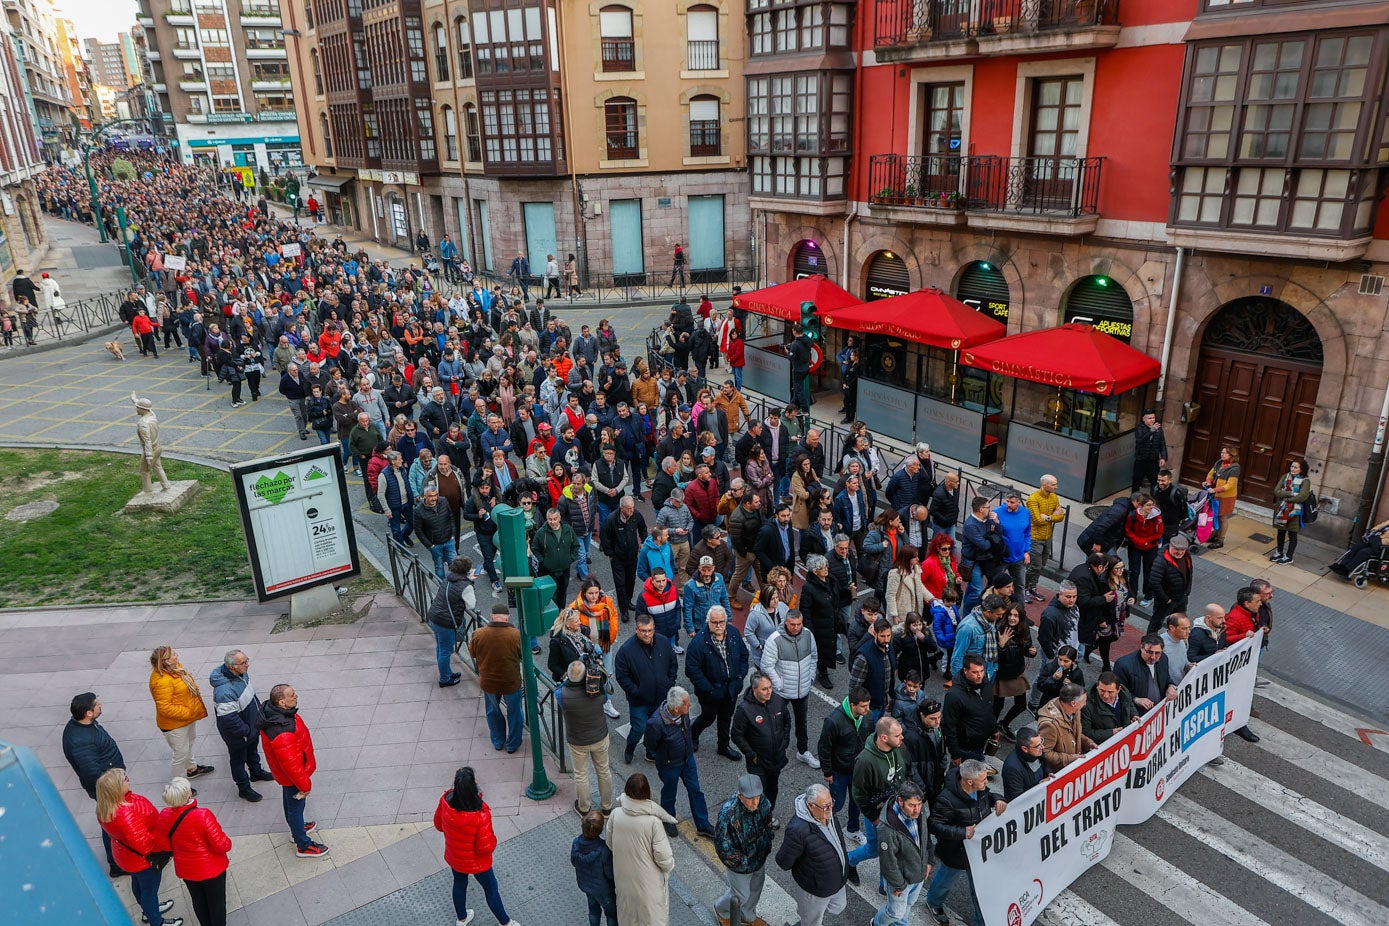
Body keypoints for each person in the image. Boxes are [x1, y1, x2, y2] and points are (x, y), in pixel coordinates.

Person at [95, 769, 184, 926]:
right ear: (115, 789)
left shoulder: (106, 807)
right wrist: (165, 841)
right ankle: (156, 921)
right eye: (125, 779)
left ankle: (148, 911)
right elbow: (144, 844)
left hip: (127, 857)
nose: (128, 780)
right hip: (143, 860)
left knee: (138, 885)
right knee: (149, 891)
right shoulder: (126, 814)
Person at [434, 767, 521, 926]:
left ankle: (461, 918)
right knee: (491, 889)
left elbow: (438, 825)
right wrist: (493, 840)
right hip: (478, 862)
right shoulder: (481, 814)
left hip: (456, 856)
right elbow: (484, 848)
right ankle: (506, 922)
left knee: (459, 883)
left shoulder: (445, 802)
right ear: (474, 785)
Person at [925, 759, 1006, 926]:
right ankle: (934, 902)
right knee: (946, 881)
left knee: (980, 889)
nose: (986, 782)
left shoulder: (978, 788)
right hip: (956, 851)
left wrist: (997, 798)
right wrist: (962, 832)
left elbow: (988, 796)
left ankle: (981, 921)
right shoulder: (946, 799)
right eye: (983, 779)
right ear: (970, 782)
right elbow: (934, 825)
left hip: (978, 848)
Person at [259, 684, 329, 858]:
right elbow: (291, 765)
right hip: (294, 778)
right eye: (292, 695)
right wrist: (305, 785)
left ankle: (296, 828)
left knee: (291, 804)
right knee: (296, 808)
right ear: (282, 702)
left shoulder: (277, 715)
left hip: (288, 777)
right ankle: (302, 844)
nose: (296, 696)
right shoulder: (283, 731)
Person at [62, 692, 127, 876]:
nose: (100, 706)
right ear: (88, 713)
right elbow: (92, 773)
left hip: (113, 780)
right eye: (97, 705)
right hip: (108, 788)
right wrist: (115, 787)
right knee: (112, 824)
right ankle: (116, 865)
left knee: (113, 821)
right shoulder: (80, 741)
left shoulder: (84, 725)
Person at [844, 715, 912, 883]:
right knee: (875, 849)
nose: (902, 738)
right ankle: (848, 860)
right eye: (897, 735)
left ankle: (885, 884)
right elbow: (859, 796)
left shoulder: (900, 748)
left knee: (892, 849)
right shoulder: (865, 761)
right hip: (878, 815)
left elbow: (909, 772)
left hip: (899, 810)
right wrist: (875, 820)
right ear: (884, 737)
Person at [159, 777, 232, 926]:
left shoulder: (164, 815)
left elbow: (165, 845)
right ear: (187, 795)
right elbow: (221, 844)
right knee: (216, 903)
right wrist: (227, 842)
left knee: (198, 900)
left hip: (187, 869)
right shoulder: (202, 815)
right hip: (211, 869)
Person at [645, 685, 715, 837]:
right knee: (670, 794)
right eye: (687, 704)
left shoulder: (683, 713)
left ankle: (703, 824)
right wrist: (664, 758)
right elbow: (650, 745)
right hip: (670, 765)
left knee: (696, 791)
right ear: (676, 708)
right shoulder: (656, 723)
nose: (690, 706)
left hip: (687, 759)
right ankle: (668, 820)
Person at [775, 783, 850, 926]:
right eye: (825, 806)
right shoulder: (797, 830)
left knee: (838, 907)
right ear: (810, 806)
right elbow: (783, 861)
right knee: (812, 921)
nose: (830, 809)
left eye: (831, 803)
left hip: (836, 880)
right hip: (815, 888)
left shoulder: (826, 812)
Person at [608, 774, 677, 926]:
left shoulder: (615, 814)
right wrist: (668, 868)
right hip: (648, 886)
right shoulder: (654, 822)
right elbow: (664, 859)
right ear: (647, 792)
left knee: (628, 918)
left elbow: (610, 843)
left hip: (624, 880)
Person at [209, 650, 276, 802]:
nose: (248, 664)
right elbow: (229, 719)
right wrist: (247, 732)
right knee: (238, 760)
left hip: (251, 726)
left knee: (252, 751)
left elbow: (251, 696)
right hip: (239, 734)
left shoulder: (241, 674)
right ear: (232, 667)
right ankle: (244, 788)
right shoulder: (224, 691)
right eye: (244, 662)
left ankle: (256, 772)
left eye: (247, 660)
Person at [686, 606, 750, 758]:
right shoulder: (698, 643)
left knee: (726, 718)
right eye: (715, 622)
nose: (719, 625)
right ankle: (693, 735)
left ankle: (723, 746)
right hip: (710, 693)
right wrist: (710, 690)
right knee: (708, 718)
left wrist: (739, 678)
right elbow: (692, 670)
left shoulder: (733, 633)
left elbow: (743, 656)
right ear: (708, 622)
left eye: (722, 621)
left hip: (731, 689)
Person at [615, 614, 679, 763]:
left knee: (657, 728)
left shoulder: (663, 642)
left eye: (650, 630)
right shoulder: (626, 651)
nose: (647, 634)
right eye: (643, 630)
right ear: (636, 629)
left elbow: (672, 662)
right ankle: (630, 747)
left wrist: (669, 682)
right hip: (640, 700)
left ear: (654, 629)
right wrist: (636, 691)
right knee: (638, 728)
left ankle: (651, 752)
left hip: (661, 697)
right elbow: (622, 676)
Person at [759, 609, 819, 769]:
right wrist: (779, 685)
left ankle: (803, 751)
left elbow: (814, 656)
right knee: (777, 722)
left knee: (802, 721)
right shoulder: (775, 640)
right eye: (792, 624)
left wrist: (810, 677)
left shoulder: (808, 635)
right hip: (782, 692)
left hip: (803, 690)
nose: (796, 627)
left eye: (799, 624)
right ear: (786, 622)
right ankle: (775, 752)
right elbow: (767, 666)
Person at [713, 773, 775, 926]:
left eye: (757, 797)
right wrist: (743, 862)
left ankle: (747, 916)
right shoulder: (728, 813)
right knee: (740, 894)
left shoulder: (763, 802)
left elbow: (768, 823)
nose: (756, 802)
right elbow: (723, 847)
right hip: (740, 864)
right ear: (740, 796)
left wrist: (767, 841)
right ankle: (722, 910)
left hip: (759, 856)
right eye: (751, 798)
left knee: (756, 888)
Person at [559, 658, 616, 815]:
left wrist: (567, 679)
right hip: (599, 736)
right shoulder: (598, 690)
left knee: (581, 774)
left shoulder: (562, 694)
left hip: (577, 740)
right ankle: (607, 806)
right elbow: (605, 696)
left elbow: (562, 687)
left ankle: (584, 808)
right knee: (604, 771)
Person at [149, 646, 212, 783]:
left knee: (188, 744)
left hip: (186, 719)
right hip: (175, 724)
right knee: (180, 754)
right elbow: (164, 708)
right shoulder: (161, 681)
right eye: (173, 655)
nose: (177, 655)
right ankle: (178, 786)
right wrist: (188, 712)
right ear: (166, 661)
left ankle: (192, 769)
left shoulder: (176, 668)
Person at [816, 686, 872, 837]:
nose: (868, 709)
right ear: (853, 705)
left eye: (868, 704)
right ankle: (825, 828)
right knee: (836, 804)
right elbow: (824, 747)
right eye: (864, 706)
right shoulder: (834, 721)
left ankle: (852, 830)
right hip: (839, 772)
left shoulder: (868, 717)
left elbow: (871, 740)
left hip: (858, 771)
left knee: (857, 801)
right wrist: (827, 771)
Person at [874, 780, 932, 926]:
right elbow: (888, 862)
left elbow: (925, 836)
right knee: (895, 912)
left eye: (919, 804)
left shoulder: (919, 811)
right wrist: (899, 885)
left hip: (918, 875)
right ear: (900, 801)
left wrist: (929, 860)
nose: (917, 810)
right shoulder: (888, 829)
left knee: (909, 905)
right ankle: (877, 923)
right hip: (902, 880)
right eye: (912, 805)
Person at [470, 603, 525, 753]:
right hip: (510, 682)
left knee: (493, 711)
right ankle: (513, 744)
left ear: (491, 616)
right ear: (507, 617)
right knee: (515, 714)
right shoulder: (515, 635)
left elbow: (472, 653)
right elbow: (523, 656)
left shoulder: (479, 633)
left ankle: (498, 741)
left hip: (489, 682)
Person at [426, 555, 476, 687]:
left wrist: (467, 581)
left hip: (434, 616)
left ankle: (447, 672)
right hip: (446, 622)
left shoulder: (448, 577)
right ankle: (444, 679)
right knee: (445, 651)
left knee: (441, 648)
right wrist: (470, 583)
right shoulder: (466, 586)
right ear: (466, 570)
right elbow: (471, 605)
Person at [942, 654, 996, 763]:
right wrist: (955, 753)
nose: (980, 675)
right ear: (965, 671)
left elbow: (989, 708)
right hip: (966, 748)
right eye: (975, 672)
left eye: (981, 671)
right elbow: (949, 726)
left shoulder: (984, 682)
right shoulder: (954, 695)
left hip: (981, 743)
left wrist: (994, 729)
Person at [600, 495, 647, 621]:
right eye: (629, 508)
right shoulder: (611, 520)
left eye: (633, 507)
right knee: (620, 584)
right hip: (618, 558)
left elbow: (643, 528)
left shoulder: (636, 515)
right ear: (622, 508)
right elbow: (605, 538)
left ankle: (628, 601)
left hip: (632, 555)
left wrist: (643, 541)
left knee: (631, 579)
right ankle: (624, 610)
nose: (632, 510)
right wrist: (610, 554)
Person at [993, 603, 1036, 739]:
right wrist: (1001, 645)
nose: (1012, 618)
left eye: (1016, 615)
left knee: (1021, 705)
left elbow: (1026, 647)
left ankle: (1003, 725)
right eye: (1010, 615)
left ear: (1021, 617)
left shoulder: (1024, 629)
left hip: (1017, 671)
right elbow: (998, 657)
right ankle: (990, 728)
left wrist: (1031, 652)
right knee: (997, 705)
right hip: (1002, 673)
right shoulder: (1000, 629)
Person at [1036, 682, 1096, 773]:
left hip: (1073, 766)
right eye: (1084, 701)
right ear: (1073, 703)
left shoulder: (1075, 711)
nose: (1085, 704)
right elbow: (1045, 753)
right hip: (1061, 772)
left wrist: (1087, 742)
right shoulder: (1049, 725)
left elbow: (1075, 734)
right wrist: (1070, 759)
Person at [571, 810, 618, 926]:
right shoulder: (604, 849)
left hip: (586, 885)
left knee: (593, 911)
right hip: (604, 890)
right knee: (611, 914)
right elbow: (609, 873)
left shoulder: (576, 843)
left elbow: (573, 862)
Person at [1023, 475, 1066, 602]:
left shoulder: (1054, 497)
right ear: (1045, 484)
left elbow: (1061, 517)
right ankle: (1024, 588)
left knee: (1041, 565)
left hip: (1048, 537)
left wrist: (1047, 517)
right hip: (1035, 538)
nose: (1056, 487)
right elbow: (1036, 520)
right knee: (1035, 566)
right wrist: (1053, 516)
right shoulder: (1033, 499)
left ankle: (1032, 588)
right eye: (1053, 484)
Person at [1114, 633, 1178, 713]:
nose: (1153, 657)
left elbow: (1166, 678)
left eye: (1157, 653)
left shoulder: (1163, 659)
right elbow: (1117, 691)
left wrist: (1171, 686)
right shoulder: (1124, 665)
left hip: (1159, 712)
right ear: (1141, 647)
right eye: (1149, 652)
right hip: (1137, 713)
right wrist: (1136, 699)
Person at [1147, 534, 1193, 633]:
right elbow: (1154, 583)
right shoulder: (1160, 562)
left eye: (1183, 550)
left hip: (1181, 597)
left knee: (1180, 621)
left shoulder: (1187, 555)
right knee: (1157, 622)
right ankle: (1150, 640)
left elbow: (1189, 572)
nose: (1180, 552)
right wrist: (1166, 599)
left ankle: (1177, 637)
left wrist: (1187, 591)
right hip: (1166, 600)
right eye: (1177, 549)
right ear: (1170, 546)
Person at [1124, 493, 1163, 606]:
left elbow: (1159, 533)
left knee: (1149, 572)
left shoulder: (1157, 517)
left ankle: (1148, 595)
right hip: (1135, 547)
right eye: (1148, 505)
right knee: (1134, 571)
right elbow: (1128, 530)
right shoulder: (1132, 516)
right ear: (1140, 505)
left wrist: (1146, 540)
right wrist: (1138, 541)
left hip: (1150, 548)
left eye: (1152, 505)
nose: (1151, 508)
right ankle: (1132, 595)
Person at [1271, 459, 1313, 564]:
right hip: (1281, 509)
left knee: (1292, 534)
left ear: (1301, 469)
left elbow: (1302, 496)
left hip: (1294, 512)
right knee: (1280, 532)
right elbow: (1276, 491)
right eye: (1292, 466)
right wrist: (1291, 494)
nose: (1292, 469)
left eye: (1295, 467)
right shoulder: (1285, 476)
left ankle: (1289, 556)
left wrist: (1288, 499)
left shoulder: (1305, 481)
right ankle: (1279, 552)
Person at [1081, 672, 1139, 744]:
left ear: (1118, 690)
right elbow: (1086, 732)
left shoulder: (1125, 693)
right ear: (1097, 686)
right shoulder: (1085, 704)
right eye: (1102, 690)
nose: (1106, 695)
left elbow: (1130, 705)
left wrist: (1134, 715)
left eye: (1110, 692)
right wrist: (1110, 733)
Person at [414, 486, 457, 583]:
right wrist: (430, 546)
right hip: (435, 544)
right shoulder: (418, 511)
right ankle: (442, 586)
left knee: (455, 564)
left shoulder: (444, 501)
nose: (434, 498)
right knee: (439, 566)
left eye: (435, 495)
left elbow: (451, 517)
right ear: (424, 496)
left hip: (449, 540)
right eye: (430, 496)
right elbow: (418, 531)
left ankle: (455, 584)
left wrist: (453, 534)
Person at [992, 491, 1032, 595]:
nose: (1009, 504)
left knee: (1020, 587)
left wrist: (1027, 551)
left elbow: (1027, 533)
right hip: (1002, 558)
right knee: (994, 586)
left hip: (1019, 558)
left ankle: (1020, 610)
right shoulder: (997, 512)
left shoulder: (1026, 513)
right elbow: (992, 535)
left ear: (1019, 502)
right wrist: (996, 522)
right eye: (1007, 501)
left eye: (1012, 502)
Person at [1204, 446, 1241, 548]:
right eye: (1222, 452)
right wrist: (1208, 482)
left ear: (1231, 455)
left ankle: (1220, 540)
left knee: (1222, 516)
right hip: (1215, 495)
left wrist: (1215, 489)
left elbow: (1230, 485)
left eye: (1225, 453)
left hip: (1226, 497)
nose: (1222, 454)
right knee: (1215, 514)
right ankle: (1215, 535)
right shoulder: (1219, 463)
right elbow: (1211, 474)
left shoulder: (1235, 468)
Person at [1000, 727, 1046, 801]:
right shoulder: (1011, 768)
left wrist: (1050, 775)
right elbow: (1019, 799)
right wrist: (1040, 787)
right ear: (1025, 749)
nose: (1042, 747)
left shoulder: (1038, 751)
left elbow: (1046, 767)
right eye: (1038, 746)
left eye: (1042, 741)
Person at [1132, 409, 1168, 493]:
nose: (1152, 420)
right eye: (1149, 418)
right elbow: (1141, 440)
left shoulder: (1159, 429)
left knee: (1155, 482)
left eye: (1153, 418)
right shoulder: (1139, 428)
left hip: (1153, 460)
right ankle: (1134, 501)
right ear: (1144, 419)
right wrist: (1151, 431)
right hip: (1141, 460)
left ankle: (1153, 500)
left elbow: (1162, 444)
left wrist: (1163, 457)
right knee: (1136, 481)